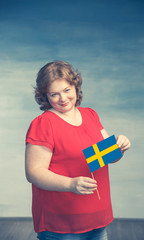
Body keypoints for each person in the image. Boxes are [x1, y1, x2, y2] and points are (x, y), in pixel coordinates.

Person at [25, 61, 131, 240]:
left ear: (76, 87)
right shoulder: (44, 123)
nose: (63, 98)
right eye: (54, 94)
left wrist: (120, 147)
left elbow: (108, 156)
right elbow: (34, 172)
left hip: (97, 219)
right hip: (62, 224)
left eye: (67, 90)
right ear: (45, 97)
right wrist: (70, 184)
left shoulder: (90, 115)